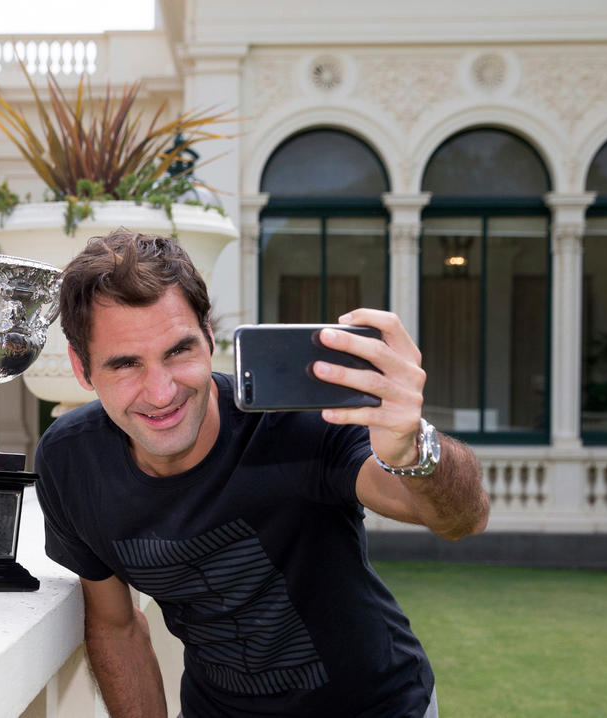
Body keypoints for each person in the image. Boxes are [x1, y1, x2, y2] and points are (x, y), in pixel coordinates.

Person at [34, 228, 489, 718]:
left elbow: (461, 519)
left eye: (179, 351)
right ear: (82, 370)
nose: (161, 392)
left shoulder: (295, 422)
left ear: (209, 336)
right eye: (126, 365)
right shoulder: (70, 462)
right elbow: (114, 625)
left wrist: (410, 445)